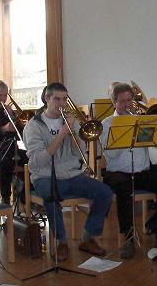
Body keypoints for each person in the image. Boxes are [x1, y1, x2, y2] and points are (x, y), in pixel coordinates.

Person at [23, 82, 113, 261]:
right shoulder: (33, 126)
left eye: (65, 99)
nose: (62, 104)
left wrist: (72, 133)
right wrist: (61, 135)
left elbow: (78, 153)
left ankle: (88, 238)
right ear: (47, 99)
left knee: (105, 193)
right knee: (51, 196)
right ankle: (61, 242)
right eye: (57, 99)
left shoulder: (71, 120)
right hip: (45, 176)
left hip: (71, 173)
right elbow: (37, 161)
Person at [100, 83, 157, 259]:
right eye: (122, 101)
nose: (127, 104)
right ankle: (128, 238)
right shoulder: (107, 124)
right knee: (123, 189)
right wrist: (126, 135)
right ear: (114, 102)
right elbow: (110, 155)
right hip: (117, 172)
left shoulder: (142, 119)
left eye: (129, 100)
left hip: (142, 171)